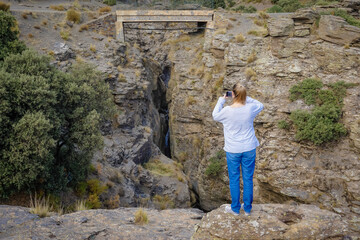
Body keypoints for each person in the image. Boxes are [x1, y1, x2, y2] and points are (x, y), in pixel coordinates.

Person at [212, 83, 264, 216]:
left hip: (233, 149)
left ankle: (235, 209)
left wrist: (221, 100)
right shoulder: (250, 108)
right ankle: (247, 209)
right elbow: (261, 105)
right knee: (248, 178)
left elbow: (215, 115)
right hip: (249, 148)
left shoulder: (227, 111)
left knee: (234, 179)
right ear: (244, 95)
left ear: (232, 94)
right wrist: (247, 98)